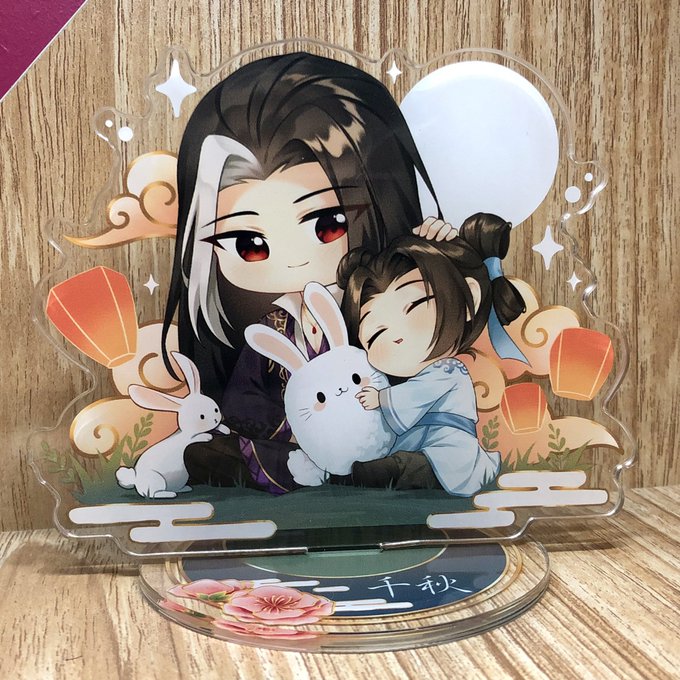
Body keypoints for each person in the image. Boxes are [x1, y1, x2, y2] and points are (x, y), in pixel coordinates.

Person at [161, 52, 455, 493]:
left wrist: (438, 260)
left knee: (418, 451)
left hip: (378, 426)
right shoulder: (272, 329)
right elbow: (242, 397)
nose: (295, 261)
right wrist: (292, 424)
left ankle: (382, 467)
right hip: (295, 440)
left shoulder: (368, 304)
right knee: (218, 455)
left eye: (327, 225)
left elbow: (420, 351)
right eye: (250, 244)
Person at [337, 213, 527, 495]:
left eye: (414, 307)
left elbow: (419, 393)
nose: (396, 336)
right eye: (376, 334)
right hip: (418, 439)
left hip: (449, 446)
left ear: (469, 300)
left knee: (416, 466)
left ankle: (379, 473)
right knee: (402, 460)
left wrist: (381, 399)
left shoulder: (449, 370)